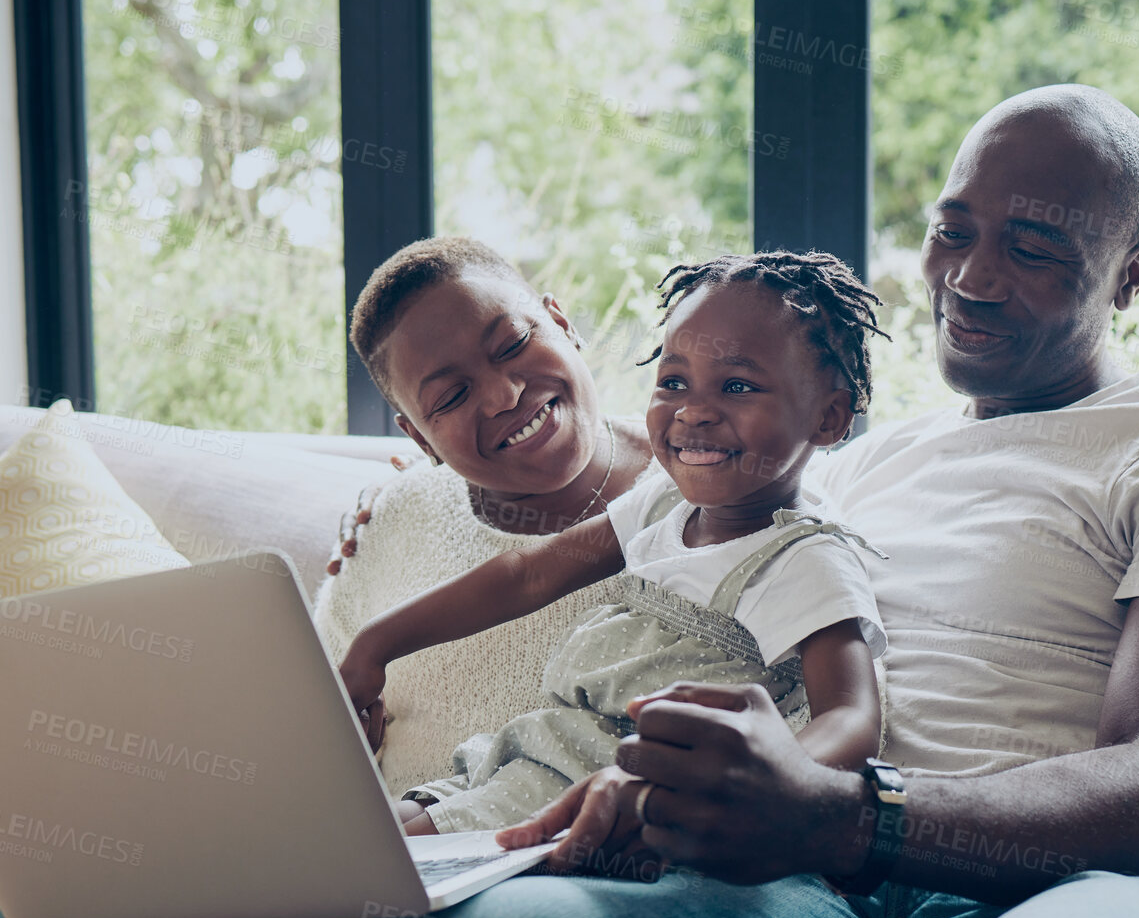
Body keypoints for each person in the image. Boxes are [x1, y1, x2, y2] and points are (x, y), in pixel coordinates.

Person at [253, 84, 1139, 918]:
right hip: (839, 901)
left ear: (1133, 268)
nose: (970, 277)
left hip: (1090, 895)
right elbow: (655, 503)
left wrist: (843, 813)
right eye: (951, 232)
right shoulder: (849, 463)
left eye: (1031, 247)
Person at [0, 236, 658, 918]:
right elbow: (314, 713)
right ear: (417, 435)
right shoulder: (401, 512)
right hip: (333, 865)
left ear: (560, 320)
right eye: (450, 395)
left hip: (477, 888)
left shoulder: (701, 505)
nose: (503, 392)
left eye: (513, 343)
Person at [339, 251, 891, 838]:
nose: (695, 411)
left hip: (623, 790)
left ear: (830, 419)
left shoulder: (805, 558)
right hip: (537, 754)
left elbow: (852, 717)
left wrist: (764, 791)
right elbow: (527, 574)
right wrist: (374, 645)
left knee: (376, 857)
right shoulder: (665, 505)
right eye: (673, 382)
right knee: (348, 840)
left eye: (736, 386)